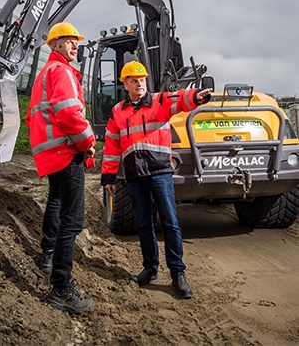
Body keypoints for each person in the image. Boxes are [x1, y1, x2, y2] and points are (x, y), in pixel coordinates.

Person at [101, 61, 212, 299]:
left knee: (170, 223)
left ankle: (178, 275)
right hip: (133, 175)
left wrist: (197, 96)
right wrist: (109, 176)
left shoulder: (160, 101)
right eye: (134, 80)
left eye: (142, 79)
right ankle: (150, 270)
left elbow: (181, 98)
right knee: (144, 224)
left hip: (160, 172)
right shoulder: (117, 111)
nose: (139, 83)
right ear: (125, 84)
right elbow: (111, 146)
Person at [25, 21, 96, 314]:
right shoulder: (63, 72)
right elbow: (68, 113)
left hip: (51, 156)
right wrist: (88, 142)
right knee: (73, 221)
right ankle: (61, 289)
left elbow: (33, 118)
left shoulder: (44, 74)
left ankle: (49, 255)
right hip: (67, 153)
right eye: (68, 41)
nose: (75, 45)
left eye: (75, 41)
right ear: (54, 45)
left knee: (55, 202)